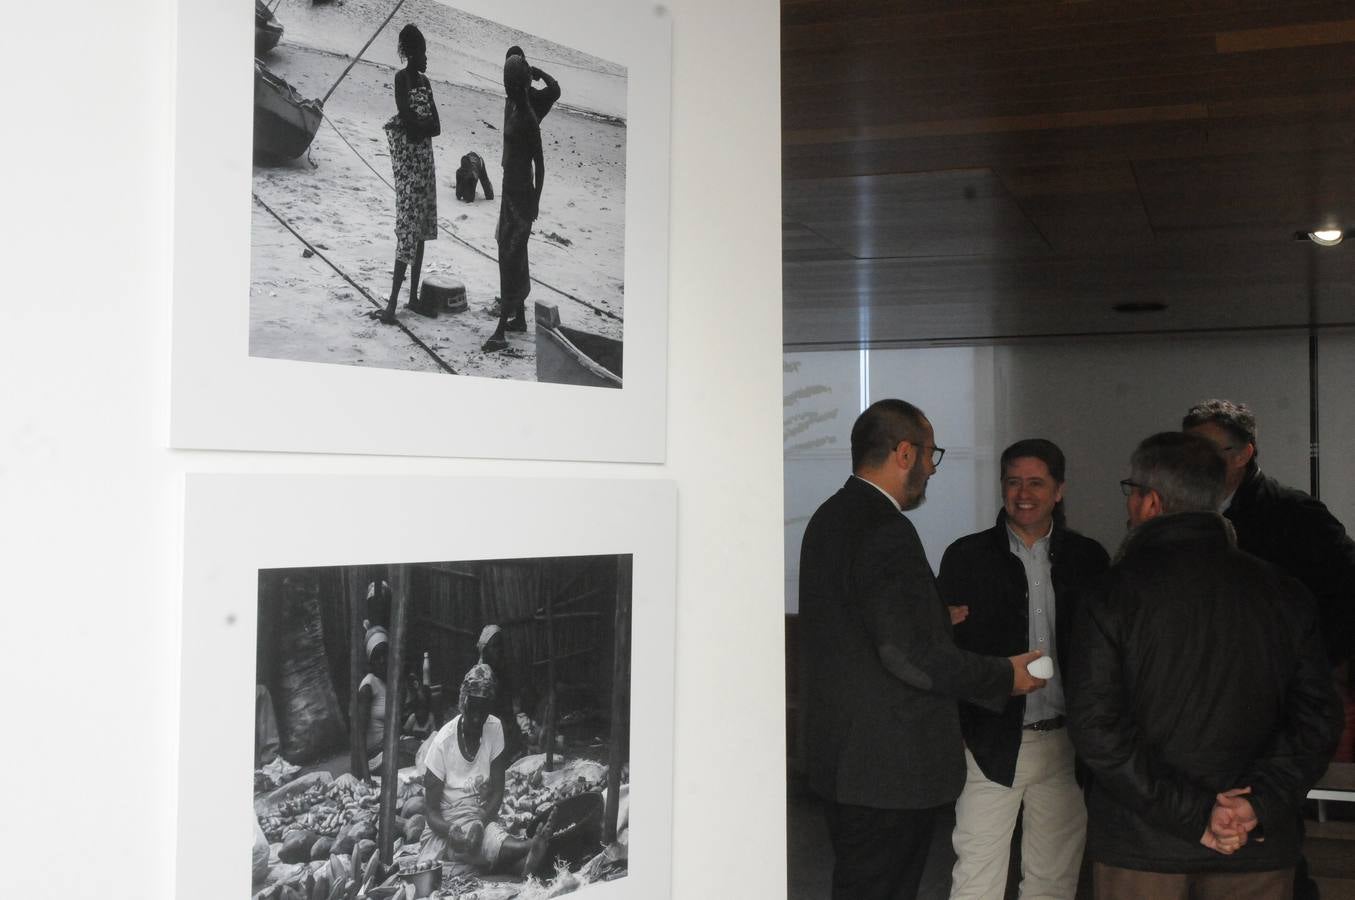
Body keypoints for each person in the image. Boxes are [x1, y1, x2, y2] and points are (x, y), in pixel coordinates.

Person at [1066, 432, 1342, 899]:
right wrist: (1255, 804)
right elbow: (1318, 720)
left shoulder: (1110, 594)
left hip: (1143, 847)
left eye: (1131, 490)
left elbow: (1096, 729)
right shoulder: (1283, 592)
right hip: (1255, 847)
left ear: (1151, 502)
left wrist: (1197, 815)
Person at [799, 398, 1048, 900]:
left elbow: (858, 623)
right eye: (932, 455)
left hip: (844, 760)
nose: (933, 470)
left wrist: (933, 617)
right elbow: (906, 655)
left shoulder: (830, 516)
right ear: (905, 453)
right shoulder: (886, 528)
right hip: (886, 769)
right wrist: (1006, 676)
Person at [1183, 399, 1355, 899]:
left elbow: (1347, 595)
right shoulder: (1180, 510)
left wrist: (1312, 665)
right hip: (1199, 695)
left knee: (1271, 829)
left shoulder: (1294, 514)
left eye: (1211, 450)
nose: (1197, 461)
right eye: (1189, 449)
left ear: (1244, 454)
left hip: (1273, 697)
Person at [939, 439, 1109, 899]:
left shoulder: (1089, 559)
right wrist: (958, 727)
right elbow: (946, 653)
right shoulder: (966, 557)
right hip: (989, 740)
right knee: (976, 878)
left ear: (1059, 490)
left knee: (1053, 882)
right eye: (1013, 482)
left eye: (1036, 482)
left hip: (1067, 744)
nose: (1023, 494)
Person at [417, 663, 558, 878]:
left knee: (487, 838)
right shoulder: (442, 743)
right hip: (448, 823)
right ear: (463, 704)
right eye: (473, 709)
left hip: (479, 815)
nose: (477, 717)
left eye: (483, 711)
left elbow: (498, 792)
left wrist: (480, 822)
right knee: (473, 845)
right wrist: (451, 830)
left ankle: (525, 861)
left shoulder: (494, 728)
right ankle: (529, 847)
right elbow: (431, 812)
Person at [482, 54, 546, 352]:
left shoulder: (529, 118)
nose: (506, 87)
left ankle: (500, 330)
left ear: (518, 84)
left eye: (509, 82)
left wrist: (535, 202)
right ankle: (518, 317)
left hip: (521, 198)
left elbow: (540, 165)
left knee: (510, 256)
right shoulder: (513, 107)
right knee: (511, 254)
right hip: (509, 194)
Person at [378, 24, 441, 325]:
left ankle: (412, 298)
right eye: (423, 53)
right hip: (408, 169)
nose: (426, 59)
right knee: (407, 229)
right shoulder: (401, 79)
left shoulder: (425, 83)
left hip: (425, 165)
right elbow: (409, 121)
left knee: (421, 230)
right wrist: (420, 125)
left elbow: (435, 127)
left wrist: (419, 125)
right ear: (411, 54)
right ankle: (392, 304)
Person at [477, 624, 524, 762]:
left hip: (504, 725)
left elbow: (511, 705)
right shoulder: (480, 675)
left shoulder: (503, 672)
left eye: (501, 646)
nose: (499, 651)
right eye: (495, 646)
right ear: (485, 650)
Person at [355, 625, 390, 780]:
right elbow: (359, 735)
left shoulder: (389, 681)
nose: (382, 660)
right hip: (375, 757)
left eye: (385, 654)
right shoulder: (368, 686)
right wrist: (366, 777)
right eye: (377, 657)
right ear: (371, 661)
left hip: (390, 746)